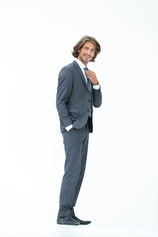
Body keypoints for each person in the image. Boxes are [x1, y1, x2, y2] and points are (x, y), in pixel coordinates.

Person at [56, 36, 102, 225]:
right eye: (86, 48)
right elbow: (60, 102)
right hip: (73, 129)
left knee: (80, 171)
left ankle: (70, 211)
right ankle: (62, 214)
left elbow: (97, 103)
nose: (88, 53)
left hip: (85, 128)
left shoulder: (88, 73)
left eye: (92, 51)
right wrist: (69, 126)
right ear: (79, 49)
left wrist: (97, 83)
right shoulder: (68, 71)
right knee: (72, 171)